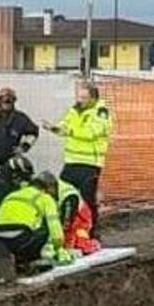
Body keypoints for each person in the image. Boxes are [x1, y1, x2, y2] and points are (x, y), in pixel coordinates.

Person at [44, 82, 111, 238]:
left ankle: (90, 233)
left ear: (93, 98)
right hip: (71, 161)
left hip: (90, 163)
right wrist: (54, 128)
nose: (80, 100)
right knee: (62, 195)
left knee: (87, 199)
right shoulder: (74, 110)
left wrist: (70, 131)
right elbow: (64, 126)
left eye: (84, 98)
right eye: (79, 97)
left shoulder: (101, 112)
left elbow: (92, 133)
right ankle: (63, 229)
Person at [0, 171, 70, 271]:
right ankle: (33, 260)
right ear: (49, 187)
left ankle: (15, 260)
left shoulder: (11, 195)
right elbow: (56, 233)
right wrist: (58, 249)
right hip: (22, 239)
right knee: (45, 228)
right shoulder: (45, 198)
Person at [0, 87, 40, 165]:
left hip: (10, 162)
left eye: (10, 100)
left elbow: (33, 133)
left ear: (14, 101)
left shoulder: (20, 118)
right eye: (4, 100)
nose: (7, 102)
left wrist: (24, 146)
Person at [56, 175, 99, 255]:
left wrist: (68, 247)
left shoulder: (69, 196)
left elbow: (68, 223)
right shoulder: (63, 191)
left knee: (81, 242)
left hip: (80, 219)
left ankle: (90, 244)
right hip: (76, 216)